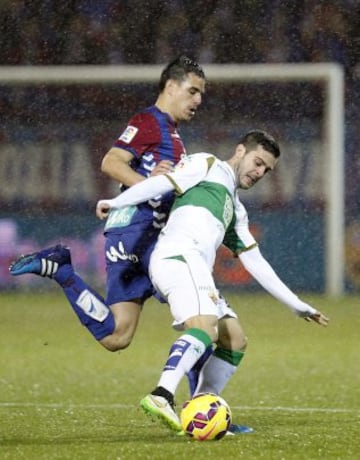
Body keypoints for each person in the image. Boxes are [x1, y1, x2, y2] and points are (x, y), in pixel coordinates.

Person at [95, 129, 329, 433]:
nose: (260, 173)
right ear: (241, 150)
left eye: (266, 170)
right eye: (258, 162)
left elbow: (255, 262)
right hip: (178, 256)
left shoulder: (236, 209)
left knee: (233, 338)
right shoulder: (207, 165)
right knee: (204, 328)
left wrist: (296, 305)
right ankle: (161, 394)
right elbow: (161, 183)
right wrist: (117, 202)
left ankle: (204, 409)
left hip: (193, 267)